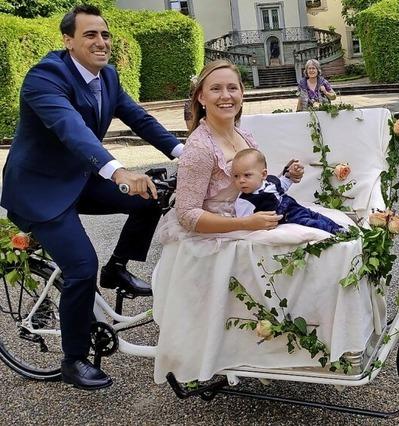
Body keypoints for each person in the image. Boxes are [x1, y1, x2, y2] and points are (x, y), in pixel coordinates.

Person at [0, 5, 183, 390]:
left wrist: (188, 153)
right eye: (90, 35)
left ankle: (116, 269)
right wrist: (118, 171)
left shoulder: (109, 77)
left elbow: (142, 120)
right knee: (81, 265)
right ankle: (73, 359)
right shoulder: (45, 77)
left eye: (105, 34)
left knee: (152, 196)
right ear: (68, 41)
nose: (101, 42)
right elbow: (71, 130)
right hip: (39, 191)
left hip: (78, 180)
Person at [175, 59, 304, 235]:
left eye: (232, 88)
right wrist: (244, 223)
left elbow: (256, 185)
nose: (226, 95)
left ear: (242, 94)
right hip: (220, 239)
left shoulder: (246, 137)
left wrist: (287, 175)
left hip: (256, 221)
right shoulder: (199, 148)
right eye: (215, 88)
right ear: (201, 97)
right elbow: (186, 214)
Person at [232, 148, 344, 234]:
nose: (241, 180)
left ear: (263, 174)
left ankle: (338, 228)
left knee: (315, 215)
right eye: (236, 176)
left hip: (293, 205)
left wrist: (290, 174)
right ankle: (334, 232)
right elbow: (246, 221)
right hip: (285, 215)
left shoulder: (270, 181)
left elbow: (284, 184)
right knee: (310, 223)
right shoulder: (245, 201)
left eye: (247, 175)